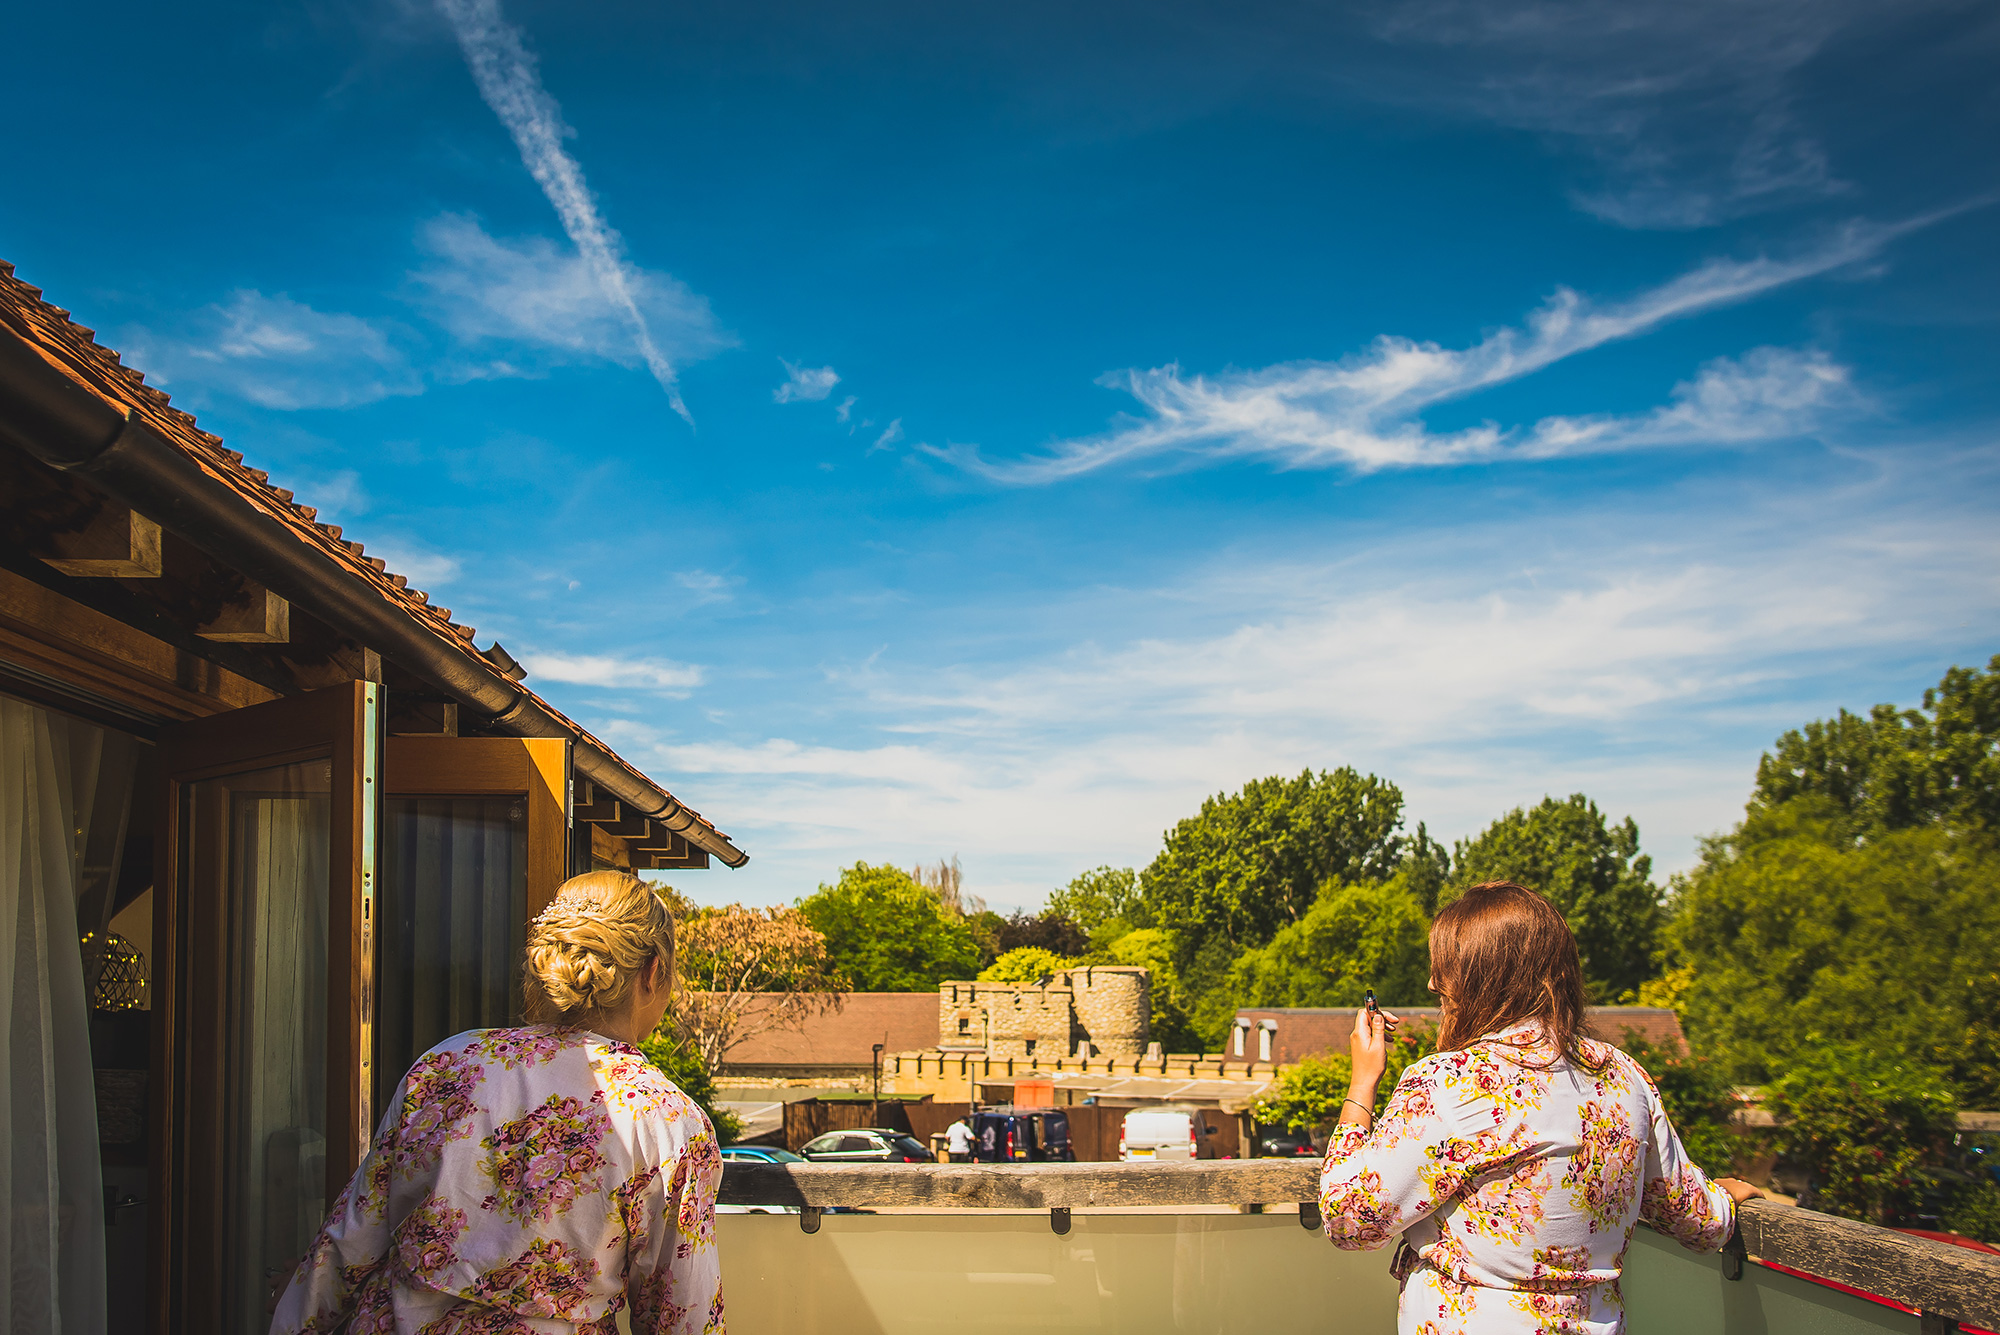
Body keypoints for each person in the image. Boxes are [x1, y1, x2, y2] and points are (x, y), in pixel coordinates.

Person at [270, 871, 725, 1335]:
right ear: (652, 972)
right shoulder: (666, 1120)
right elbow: (680, 1313)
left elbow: (353, 1237)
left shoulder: (449, 1062)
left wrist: (292, 1323)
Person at [1317, 881, 1759, 1334]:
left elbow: (1349, 1219)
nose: (1433, 983)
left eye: (1445, 967)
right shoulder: (1625, 1077)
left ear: (1482, 977)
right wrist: (1724, 1198)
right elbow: (1697, 1220)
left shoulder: (1451, 1083)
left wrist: (1364, 1079)